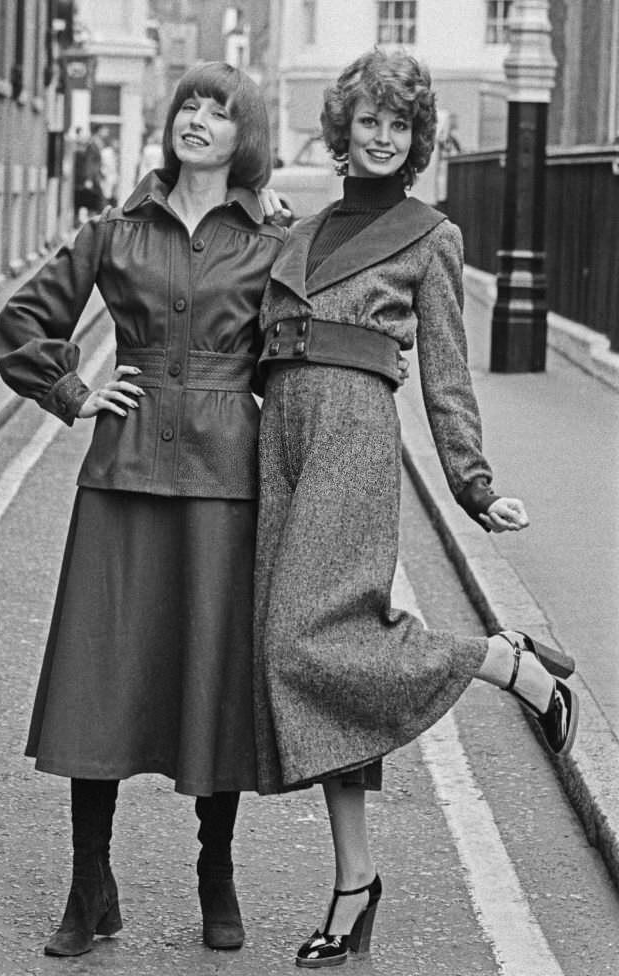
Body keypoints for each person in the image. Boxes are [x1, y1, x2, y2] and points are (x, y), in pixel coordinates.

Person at [251, 49, 579, 968]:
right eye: (370, 121)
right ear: (345, 130)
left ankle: (501, 663)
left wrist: (473, 485)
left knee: (305, 641)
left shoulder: (430, 235)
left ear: (417, 137)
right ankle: (355, 885)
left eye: (401, 123)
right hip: (282, 441)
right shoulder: (296, 233)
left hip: (354, 438)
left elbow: (446, 375)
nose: (385, 135)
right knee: (307, 673)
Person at [0, 62, 287, 958]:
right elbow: (22, 324)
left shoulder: (274, 242)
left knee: (215, 679)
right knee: (100, 680)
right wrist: (73, 392)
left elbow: (309, 352)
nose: (197, 120)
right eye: (187, 106)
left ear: (247, 135)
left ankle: (216, 872)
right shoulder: (114, 231)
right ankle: (90, 885)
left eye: (219, 111)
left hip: (226, 481)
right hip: (121, 477)